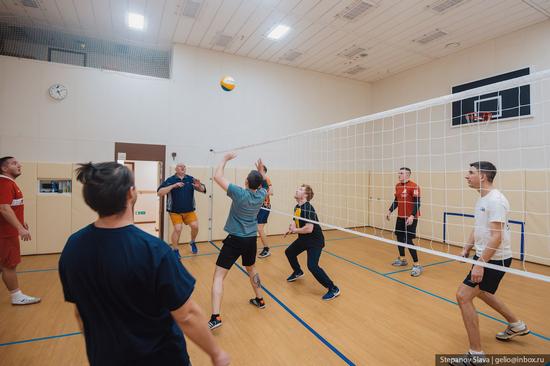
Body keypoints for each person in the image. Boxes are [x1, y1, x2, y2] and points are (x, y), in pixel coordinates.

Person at [59, 162, 229, 366]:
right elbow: (187, 315)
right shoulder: (154, 251)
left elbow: (80, 313)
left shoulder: (73, 247)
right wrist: (216, 353)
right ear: (131, 194)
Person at [451, 161, 529, 365]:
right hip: (485, 256)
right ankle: (517, 325)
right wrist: (467, 248)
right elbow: (478, 228)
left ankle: (476, 355)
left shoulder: (496, 200)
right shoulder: (482, 198)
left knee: (463, 296)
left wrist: (480, 264)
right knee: (484, 293)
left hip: (495, 259)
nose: (466, 176)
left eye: (470, 173)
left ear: (483, 176)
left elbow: (497, 237)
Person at [208, 153, 267, 330]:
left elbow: (217, 176)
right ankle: (260, 298)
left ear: (246, 182)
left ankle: (215, 316)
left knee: (219, 276)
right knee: (252, 269)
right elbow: (264, 183)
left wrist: (224, 159)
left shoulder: (239, 193)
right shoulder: (262, 194)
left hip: (235, 240)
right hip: (250, 240)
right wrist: (261, 172)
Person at [285, 184, 340, 301]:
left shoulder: (308, 208)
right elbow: (295, 220)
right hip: (304, 239)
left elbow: (309, 228)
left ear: (305, 195)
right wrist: (292, 227)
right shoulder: (297, 207)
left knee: (312, 266)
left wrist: (295, 231)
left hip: (315, 241)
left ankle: (333, 288)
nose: (296, 189)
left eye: (300, 189)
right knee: (289, 252)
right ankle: (298, 271)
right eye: (298, 187)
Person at [0, 156, 41, 305]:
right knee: (9, 265)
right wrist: (19, 228)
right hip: (5, 234)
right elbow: (3, 208)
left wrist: (21, 222)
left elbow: (11, 207)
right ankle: (17, 296)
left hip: (7, 232)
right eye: (14, 163)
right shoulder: (4, 183)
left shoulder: (9, 184)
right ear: (4, 168)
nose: (19, 165)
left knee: (2, 265)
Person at [158, 163, 206, 257]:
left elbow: (203, 189)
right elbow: (160, 192)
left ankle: (192, 242)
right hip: (175, 211)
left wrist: (199, 186)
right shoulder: (170, 180)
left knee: (195, 226)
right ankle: (175, 250)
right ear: (176, 169)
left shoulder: (190, 179)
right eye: (180, 166)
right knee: (178, 229)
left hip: (189, 210)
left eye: (184, 166)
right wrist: (173, 186)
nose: (183, 167)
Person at [385, 167, 423, 277]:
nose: (399, 175)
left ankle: (417, 264)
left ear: (408, 175)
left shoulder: (414, 186)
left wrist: (412, 216)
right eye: (399, 173)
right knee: (399, 237)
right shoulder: (397, 186)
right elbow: (396, 201)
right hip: (400, 217)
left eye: (401, 173)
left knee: (408, 240)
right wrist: (389, 210)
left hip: (411, 218)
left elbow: (417, 203)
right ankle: (402, 259)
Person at [257, 164, 273, 258]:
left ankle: (266, 249)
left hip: (264, 206)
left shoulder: (266, 179)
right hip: (256, 206)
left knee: (259, 228)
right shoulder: (256, 179)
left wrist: (261, 193)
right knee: (252, 227)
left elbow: (271, 192)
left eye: (260, 170)